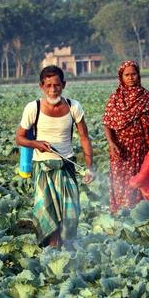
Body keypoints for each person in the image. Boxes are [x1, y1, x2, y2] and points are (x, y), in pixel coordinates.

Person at [15, 65, 95, 247]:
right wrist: (36, 144)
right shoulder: (32, 108)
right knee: (47, 212)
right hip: (42, 167)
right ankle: (52, 249)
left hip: (66, 166)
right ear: (41, 86)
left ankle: (66, 247)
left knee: (71, 212)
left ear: (64, 85)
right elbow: (19, 138)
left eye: (57, 85)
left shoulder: (74, 106)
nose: (53, 90)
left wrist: (89, 167)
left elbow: (84, 137)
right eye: (48, 85)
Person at [103, 60, 149, 214]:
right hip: (120, 148)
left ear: (138, 75)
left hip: (140, 147)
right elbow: (107, 123)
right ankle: (121, 213)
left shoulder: (146, 97)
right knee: (120, 181)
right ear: (121, 77)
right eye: (127, 75)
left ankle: (139, 213)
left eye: (133, 74)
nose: (131, 78)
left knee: (139, 181)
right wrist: (111, 143)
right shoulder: (115, 99)